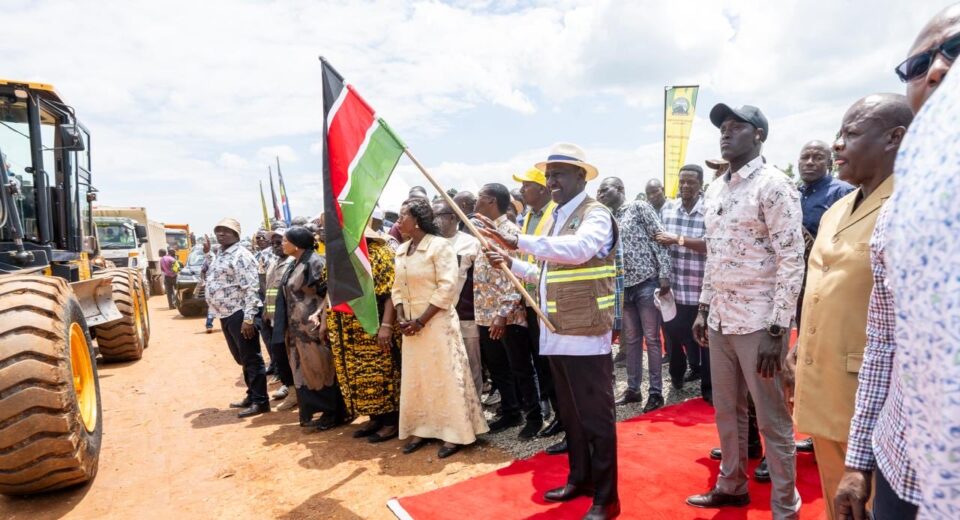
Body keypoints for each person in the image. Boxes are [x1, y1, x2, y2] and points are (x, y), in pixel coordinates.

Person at [837, 8, 960, 519]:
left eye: (955, 49)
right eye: (916, 65)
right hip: (901, 468)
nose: (935, 70)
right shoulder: (898, 216)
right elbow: (886, 341)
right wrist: (859, 459)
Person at [789, 95, 913, 520]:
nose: (837, 145)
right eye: (838, 134)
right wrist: (800, 343)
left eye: (852, 133)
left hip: (875, 398)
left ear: (894, 138)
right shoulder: (838, 207)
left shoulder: (912, 207)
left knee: (874, 507)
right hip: (824, 381)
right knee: (835, 503)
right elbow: (820, 281)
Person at [481, 142, 621, 520]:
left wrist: (519, 241)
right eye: (549, 174)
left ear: (581, 176)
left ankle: (607, 498)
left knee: (595, 416)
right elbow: (547, 272)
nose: (551, 180)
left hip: (586, 332)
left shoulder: (596, 215)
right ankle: (580, 478)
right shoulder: (557, 217)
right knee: (572, 415)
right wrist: (512, 261)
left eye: (559, 173)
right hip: (556, 329)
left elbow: (579, 250)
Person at [686, 104, 805, 519]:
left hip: (759, 323)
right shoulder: (716, 189)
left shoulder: (775, 185)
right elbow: (714, 256)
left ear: (759, 136)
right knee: (726, 410)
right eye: (723, 127)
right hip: (720, 320)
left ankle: (785, 506)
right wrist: (703, 308)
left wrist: (778, 329)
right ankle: (732, 485)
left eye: (737, 127)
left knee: (771, 419)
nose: (726, 133)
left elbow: (792, 258)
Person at [390, 198, 488, 459]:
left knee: (445, 377)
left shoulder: (440, 246)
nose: (399, 222)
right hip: (411, 326)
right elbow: (397, 288)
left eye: (403, 216)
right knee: (418, 379)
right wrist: (401, 316)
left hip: (436, 323)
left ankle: (455, 433)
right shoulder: (401, 251)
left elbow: (447, 287)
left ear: (418, 220)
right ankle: (422, 428)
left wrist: (421, 320)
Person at [473, 182, 543, 440]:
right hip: (485, 313)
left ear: (491, 200)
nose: (476, 202)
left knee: (521, 368)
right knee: (499, 367)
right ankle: (511, 410)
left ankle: (534, 416)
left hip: (508, 316)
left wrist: (503, 313)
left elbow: (520, 278)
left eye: (480, 197)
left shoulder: (510, 232)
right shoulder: (481, 232)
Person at [596, 176, 671, 413]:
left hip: (646, 282)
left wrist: (665, 273)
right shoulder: (608, 217)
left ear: (620, 189)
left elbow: (659, 238)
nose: (600, 194)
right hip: (622, 286)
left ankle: (656, 392)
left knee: (651, 338)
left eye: (604, 189)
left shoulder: (639, 207)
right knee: (631, 340)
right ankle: (633, 389)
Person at [323, 227, 402, 443]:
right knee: (355, 377)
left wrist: (386, 325)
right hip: (345, 331)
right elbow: (329, 292)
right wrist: (323, 321)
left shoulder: (379, 253)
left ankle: (390, 422)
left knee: (381, 374)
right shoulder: (339, 255)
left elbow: (390, 294)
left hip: (372, 327)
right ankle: (374, 417)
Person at [274, 226, 348, 431]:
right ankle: (320, 412)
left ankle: (334, 413)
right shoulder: (294, 263)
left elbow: (330, 294)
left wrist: (322, 319)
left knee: (322, 369)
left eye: (285, 240)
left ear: (296, 244)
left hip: (314, 329)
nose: (282, 243)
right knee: (305, 371)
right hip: (298, 330)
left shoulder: (315, 262)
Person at [513, 167, 565, 447]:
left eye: (527, 186)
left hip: (550, 299)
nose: (523, 191)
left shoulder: (554, 215)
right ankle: (558, 414)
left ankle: (567, 417)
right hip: (531, 298)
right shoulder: (526, 217)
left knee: (554, 363)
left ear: (543, 189)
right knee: (542, 362)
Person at [655, 165, 710, 402]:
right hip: (674, 289)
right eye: (683, 182)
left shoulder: (710, 210)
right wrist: (662, 276)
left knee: (705, 339)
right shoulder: (667, 210)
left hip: (701, 290)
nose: (686, 186)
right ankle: (676, 377)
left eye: (691, 182)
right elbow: (658, 244)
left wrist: (677, 240)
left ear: (701, 185)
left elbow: (710, 245)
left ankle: (709, 390)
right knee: (673, 336)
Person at [204, 218, 269, 418]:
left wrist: (249, 318)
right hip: (225, 313)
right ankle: (251, 394)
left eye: (226, 231)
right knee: (241, 357)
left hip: (240, 313)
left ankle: (260, 401)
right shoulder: (220, 253)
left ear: (236, 235)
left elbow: (251, 288)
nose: (221, 234)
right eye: (219, 230)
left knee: (251, 357)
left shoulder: (241, 255)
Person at [433, 199, 484, 398]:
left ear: (453, 217)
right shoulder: (430, 243)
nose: (433, 222)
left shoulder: (471, 243)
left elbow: (479, 281)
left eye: (437, 216)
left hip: (465, 314)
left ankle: (475, 409)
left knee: (471, 364)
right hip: (437, 315)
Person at [262, 229, 297, 411]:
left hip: (289, 319)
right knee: (279, 355)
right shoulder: (274, 263)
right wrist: (267, 313)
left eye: (280, 242)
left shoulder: (293, 263)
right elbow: (269, 289)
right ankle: (291, 390)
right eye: (273, 243)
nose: (276, 246)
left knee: (289, 356)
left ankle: (295, 392)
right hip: (274, 318)